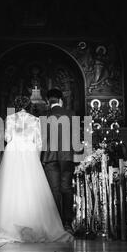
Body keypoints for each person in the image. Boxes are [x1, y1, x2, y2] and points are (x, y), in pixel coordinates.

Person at [0, 96, 73, 243]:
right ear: (29, 106)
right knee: (30, 188)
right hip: (29, 152)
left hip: (13, 153)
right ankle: (32, 224)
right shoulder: (35, 120)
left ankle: (8, 223)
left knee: (11, 187)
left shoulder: (10, 119)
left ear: (16, 106)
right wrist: (36, 159)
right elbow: (39, 143)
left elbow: (7, 137)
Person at [41, 89, 76, 234]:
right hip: (67, 157)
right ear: (61, 100)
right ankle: (67, 224)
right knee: (66, 188)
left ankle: (55, 225)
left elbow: (41, 140)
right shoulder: (71, 114)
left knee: (54, 190)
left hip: (49, 157)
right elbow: (76, 138)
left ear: (48, 101)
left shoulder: (44, 116)